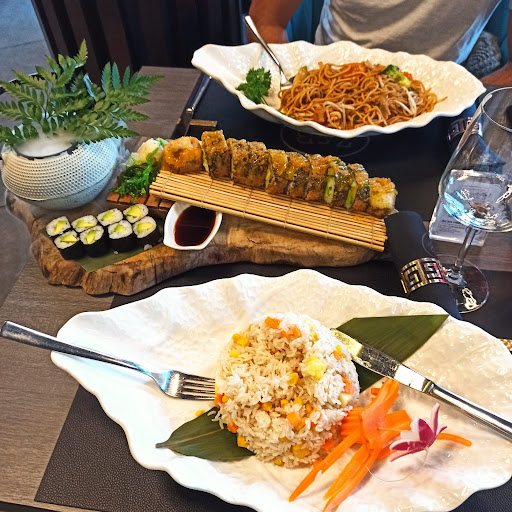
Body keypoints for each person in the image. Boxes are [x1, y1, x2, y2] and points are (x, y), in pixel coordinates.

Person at [247, 0, 512, 85]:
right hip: (328, 88)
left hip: (440, 107)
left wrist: (464, 98)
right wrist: (292, 92)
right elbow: (267, 22)